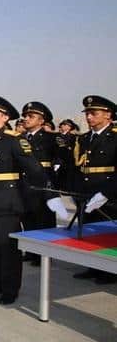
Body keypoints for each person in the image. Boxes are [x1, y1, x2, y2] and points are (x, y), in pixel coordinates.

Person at [0, 95, 66, 305]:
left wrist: (52, 195)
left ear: (4, 118)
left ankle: (10, 289)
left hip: (6, 202)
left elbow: (36, 171)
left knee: (7, 248)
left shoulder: (14, 140)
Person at [71, 95, 117, 284]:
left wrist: (107, 193)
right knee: (89, 231)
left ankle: (110, 272)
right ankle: (93, 267)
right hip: (86, 192)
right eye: (87, 113)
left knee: (106, 233)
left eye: (93, 113)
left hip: (109, 193)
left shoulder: (114, 137)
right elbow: (77, 168)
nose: (89, 117)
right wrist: (75, 192)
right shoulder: (84, 138)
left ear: (108, 114)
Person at [19, 101, 60, 266]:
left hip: (43, 185)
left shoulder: (51, 138)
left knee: (44, 221)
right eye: (26, 116)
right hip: (24, 184)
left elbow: (63, 161)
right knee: (27, 219)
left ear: (41, 121)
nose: (26, 119)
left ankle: (45, 255)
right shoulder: (19, 138)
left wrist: (55, 186)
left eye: (31, 116)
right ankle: (32, 252)